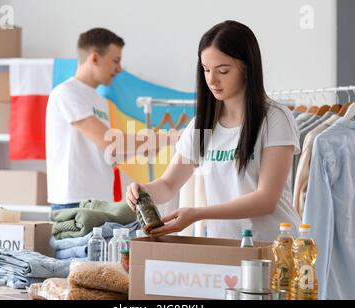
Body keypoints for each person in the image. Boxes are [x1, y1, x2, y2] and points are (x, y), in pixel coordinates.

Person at [126, 20, 301, 241]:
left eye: (223, 70)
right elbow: (169, 184)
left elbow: (266, 199)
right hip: (225, 247)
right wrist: (144, 190)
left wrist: (198, 214)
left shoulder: (275, 119)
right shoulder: (202, 125)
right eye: (206, 70)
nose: (212, 80)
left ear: (247, 67)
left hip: (275, 246)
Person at [46, 28, 168, 211]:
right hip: (74, 202)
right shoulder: (66, 93)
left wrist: (142, 146)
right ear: (94, 58)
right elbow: (108, 140)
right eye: (115, 61)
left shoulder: (100, 101)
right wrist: (166, 138)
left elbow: (110, 152)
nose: (119, 69)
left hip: (101, 201)